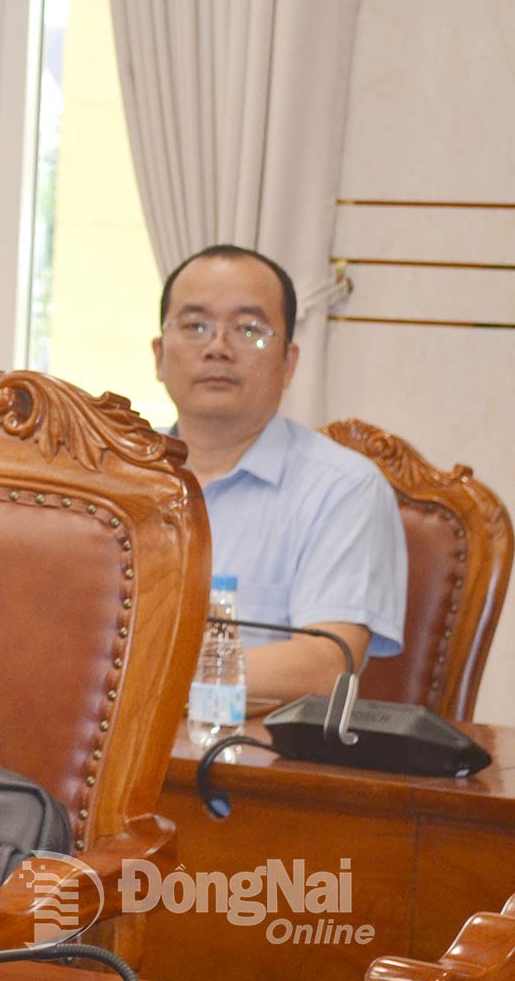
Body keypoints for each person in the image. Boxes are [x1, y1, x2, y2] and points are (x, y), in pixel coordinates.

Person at [153, 244, 406, 702]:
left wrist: (131, 676)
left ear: (288, 363)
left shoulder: (343, 489)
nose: (217, 348)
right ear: (158, 355)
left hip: (250, 763)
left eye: (248, 330)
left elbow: (324, 666)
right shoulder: (113, 474)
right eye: (194, 326)